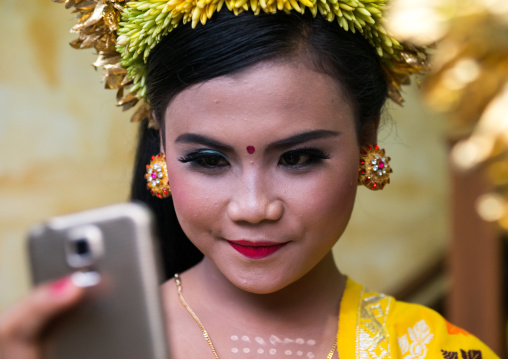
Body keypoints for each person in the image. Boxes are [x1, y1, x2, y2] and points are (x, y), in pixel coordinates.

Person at [0, 1, 500, 358]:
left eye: (300, 157)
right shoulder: (85, 347)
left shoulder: (438, 351)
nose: (254, 206)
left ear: (366, 140)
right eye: (210, 160)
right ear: (161, 146)